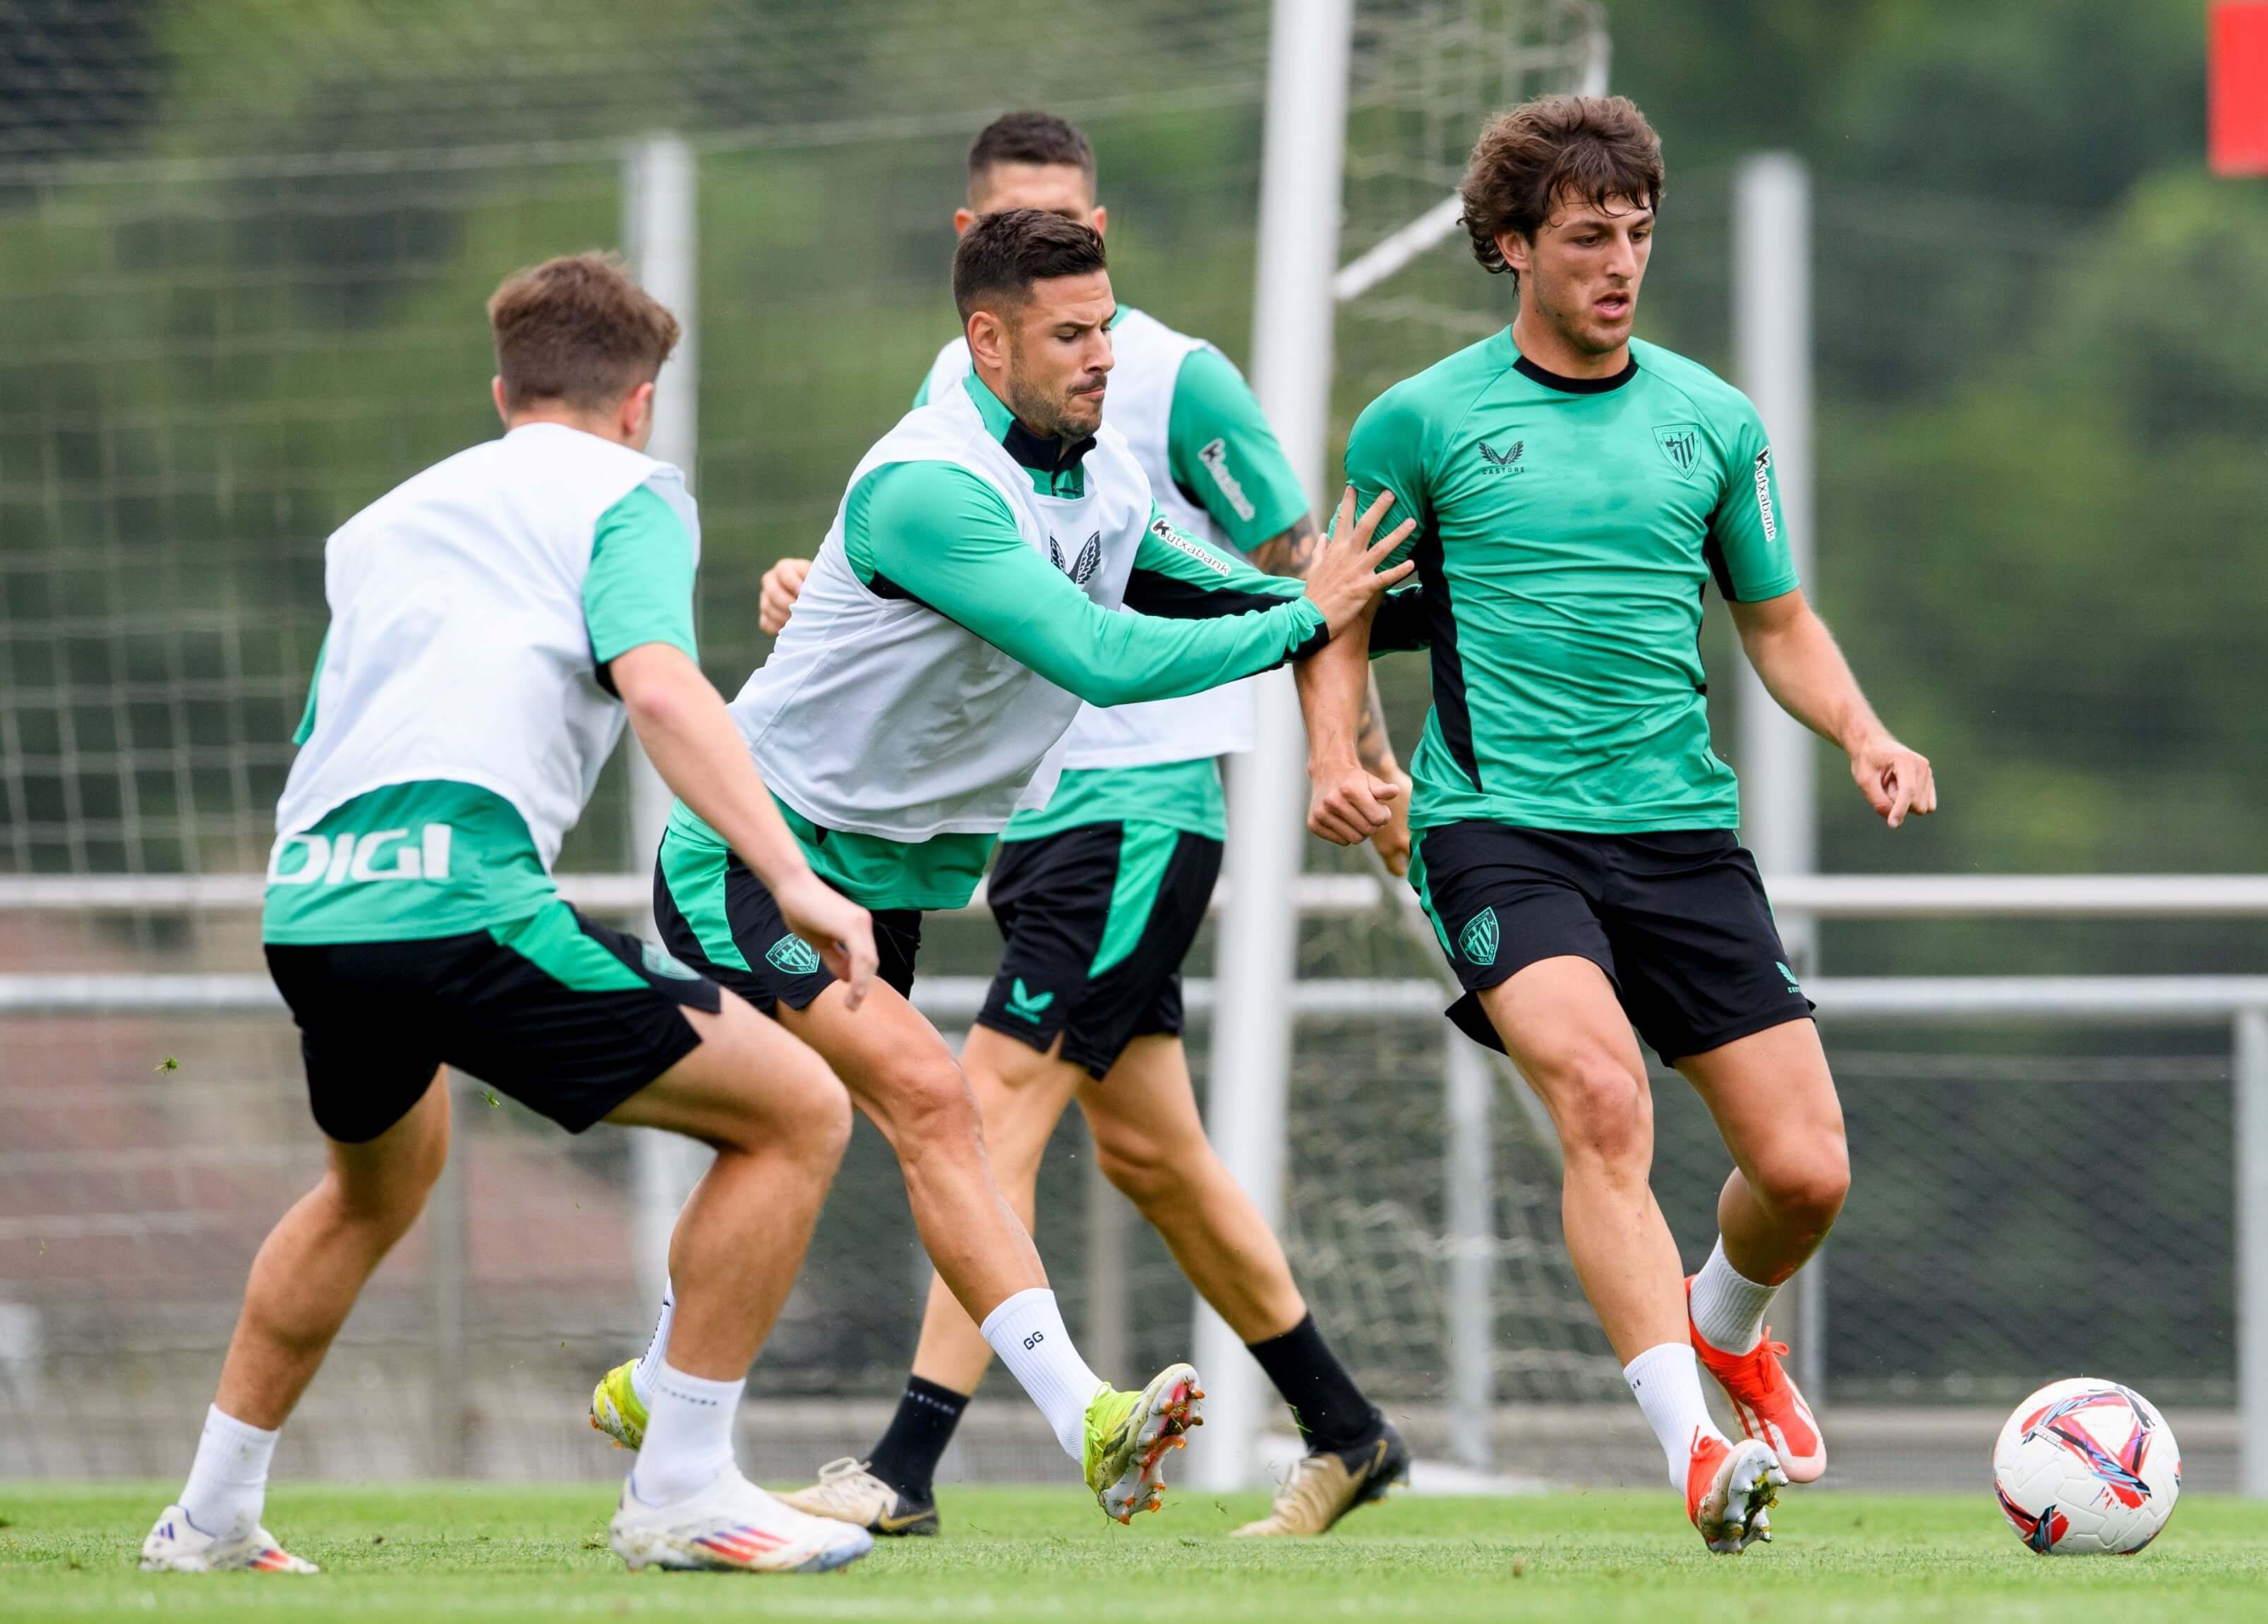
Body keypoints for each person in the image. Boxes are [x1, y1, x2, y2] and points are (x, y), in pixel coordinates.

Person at [589, 208, 1415, 1527]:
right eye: (1071, 334)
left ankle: (664, 1383)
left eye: (1108, 326)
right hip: (758, 853)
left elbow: (1203, 591)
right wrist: (1309, 616)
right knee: (938, 1102)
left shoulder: (1098, 476)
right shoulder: (934, 485)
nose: (1104, 355)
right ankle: (1079, 1414)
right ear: (987, 337)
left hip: (894, 880)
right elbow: (1097, 653)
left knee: (820, 1138)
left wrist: (1382, 602)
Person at [141, 254, 886, 1576]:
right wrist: (792, 873)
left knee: (374, 1186)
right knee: (797, 1110)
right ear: (639, 403)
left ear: (503, 389)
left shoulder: (380, 520)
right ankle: (684, 1487)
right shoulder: (633, 493)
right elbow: (659, 688)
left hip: (315, 902)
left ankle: (207, 1516)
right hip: (460, 900)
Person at [1305, 95, 1937, 1555]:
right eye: (1587, 237)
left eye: (1638, 235)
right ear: (1510, 246)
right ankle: (1694, 1453)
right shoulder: (1421, 420)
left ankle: (1727, 1327)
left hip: (1676, 831)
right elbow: (1335, 614)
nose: (1619, 263)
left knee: (1804, 1172)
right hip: (1496, 830)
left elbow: (1775, 622)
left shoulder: (1712, 421)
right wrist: (1336, 757)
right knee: (1600, 1097)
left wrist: (1863, 729)